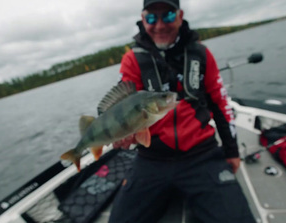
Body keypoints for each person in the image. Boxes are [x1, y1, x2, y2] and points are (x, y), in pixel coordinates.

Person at [109, 0, 255, 222]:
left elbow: (219, 103)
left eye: (167, 16)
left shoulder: (201, 54)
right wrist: (121, 133)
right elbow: (121, 106)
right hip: (151, 158)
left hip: (202, 155)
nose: (159, 25)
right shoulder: (132, 59)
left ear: (180, 15)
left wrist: (231, 150)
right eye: (151, 18)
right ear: (142, 19)